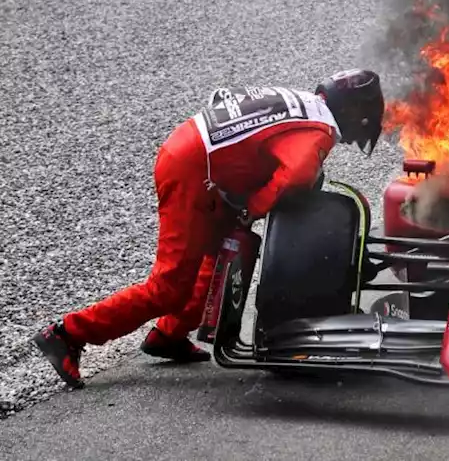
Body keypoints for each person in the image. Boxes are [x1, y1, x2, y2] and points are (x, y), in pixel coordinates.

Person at [33, 69, 386, 389]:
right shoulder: (318, 131)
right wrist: (252, 208)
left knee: (221, 248)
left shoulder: (305, 104)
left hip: (195, 155)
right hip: (192, 170)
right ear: (355, 113)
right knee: (168, 288)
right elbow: (295, 176)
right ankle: (67, 333)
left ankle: (169, 335)